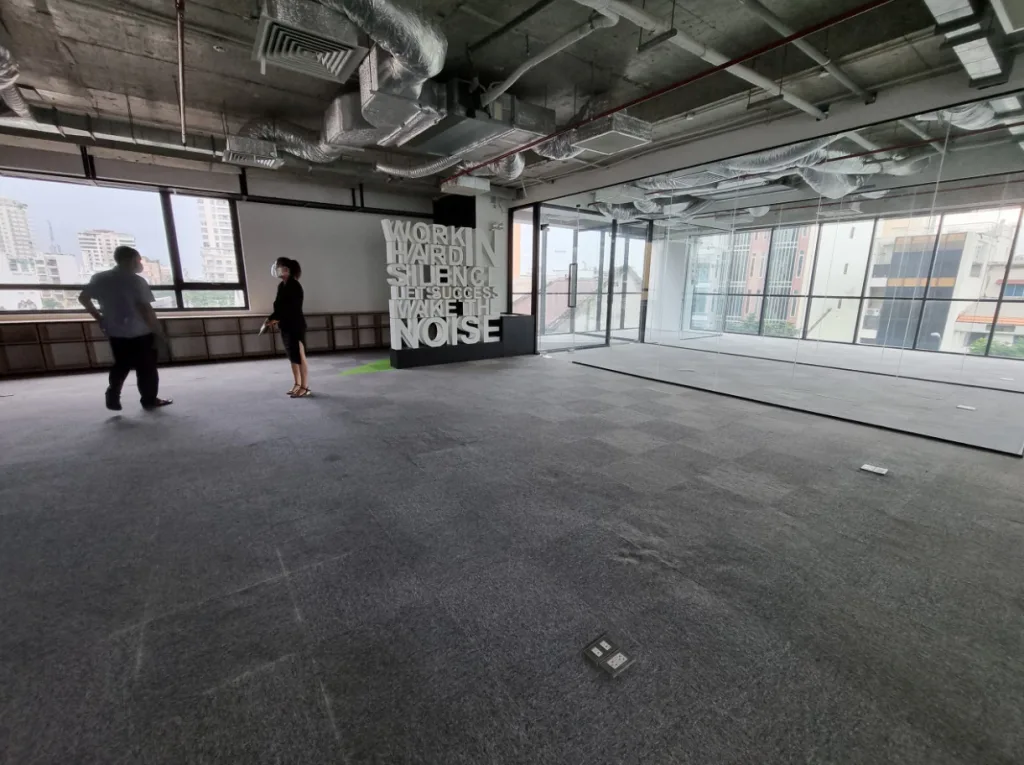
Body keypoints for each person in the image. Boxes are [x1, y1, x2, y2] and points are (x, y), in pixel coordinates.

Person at [78, 246, 173, 411]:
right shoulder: (136, 281)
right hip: (140, 331)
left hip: (115, 331)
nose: (140, 263)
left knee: (121, 365)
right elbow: (145, 309)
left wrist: (100, 318)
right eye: (138, 260)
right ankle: (149, 399)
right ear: (130, 260)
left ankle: (113, 392)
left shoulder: (100, 278)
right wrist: (158, 331)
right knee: (147, 368)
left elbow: (83, 298)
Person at [265, 257, 310, 397]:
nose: (276, 269)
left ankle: (305, 387)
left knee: (299, 356)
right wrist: (272, 318)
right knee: (292, 357)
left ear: (286, 269)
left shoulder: (294, 286)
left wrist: (275, 318)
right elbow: (279, 306)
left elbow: (290, 308)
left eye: (278, 266)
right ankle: (297, 383)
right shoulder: (282, 286)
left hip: (295, 325)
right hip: (285, 325)